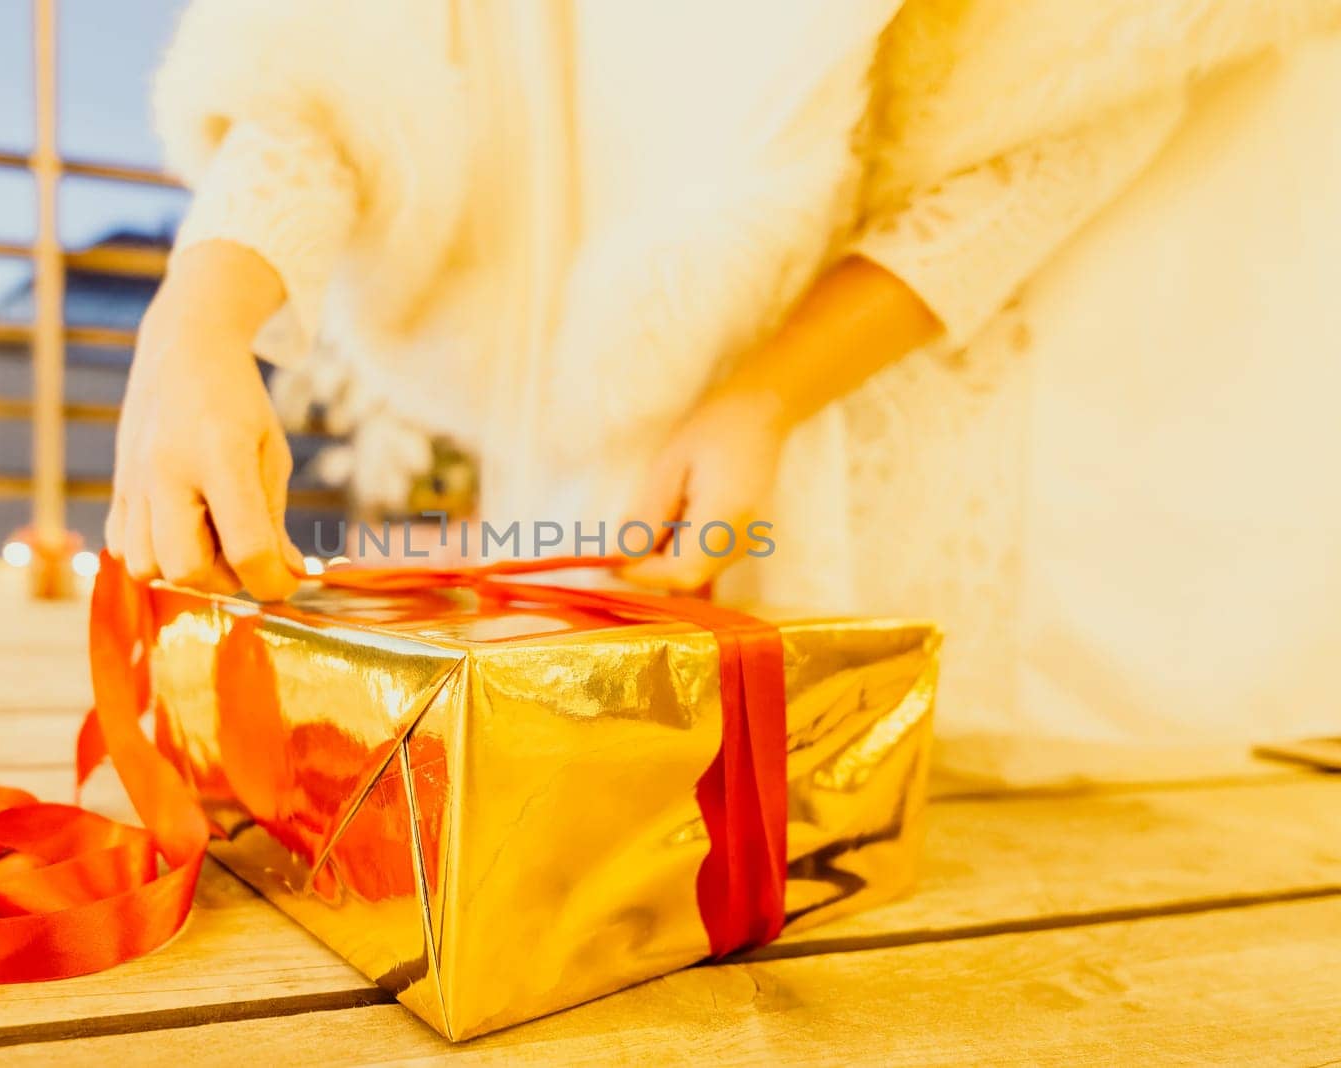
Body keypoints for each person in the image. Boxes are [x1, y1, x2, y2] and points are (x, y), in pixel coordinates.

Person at [110, 0, 1341, 782]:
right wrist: (201, 315)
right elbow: (337, 60)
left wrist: (766, 394)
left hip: (935, 425)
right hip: (625, 472)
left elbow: (1086, 93)